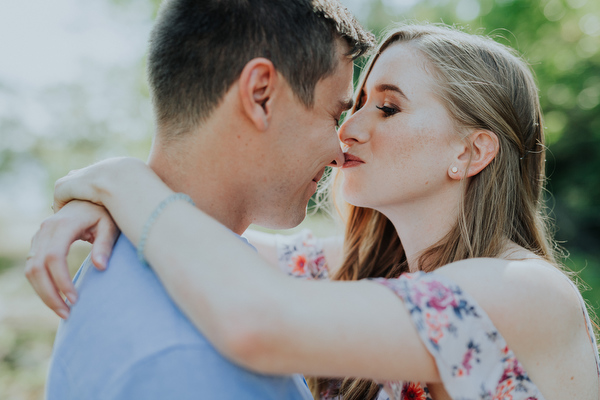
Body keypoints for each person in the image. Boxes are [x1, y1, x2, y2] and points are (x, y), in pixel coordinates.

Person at [27, 24, 600, 400]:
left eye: (388, 108)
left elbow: (258, 321)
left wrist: (122, 182)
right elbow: (199, 240)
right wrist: (99, 195)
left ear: (471, 152)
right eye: (351, 107)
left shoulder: (526, 292)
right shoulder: (366, 270)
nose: (348, 131)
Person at [23, 0, 375, 399]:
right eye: (334, 115)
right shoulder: (187, 355)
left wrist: (117, 183)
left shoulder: (149, 262)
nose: (338, 152)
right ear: (260, 95)